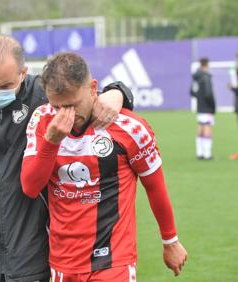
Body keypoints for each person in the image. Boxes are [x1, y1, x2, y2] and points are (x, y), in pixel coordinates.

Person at [0, 35, 135, 282]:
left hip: (36, 250)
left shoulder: (43, 96)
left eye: (4, 86)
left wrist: (117, 93)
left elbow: (85, 96)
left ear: (23, 73)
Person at [21, 52, 188, 281]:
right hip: (62, 262)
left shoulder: (130, 127)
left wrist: (170, 241)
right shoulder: (42, 120)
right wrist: (50, 143)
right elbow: (30, 187)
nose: (65, 114)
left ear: (93, 88)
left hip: (114, 261)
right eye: (57, 106)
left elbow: (155, 186)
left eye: (72, 104)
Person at [190, 57, 216, 160]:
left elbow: (192, 92)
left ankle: (200, 153)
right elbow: (209, 94)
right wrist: (213, 106)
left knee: (200, 128)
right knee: (208, 129)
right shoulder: (206, 77)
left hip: (200, 107)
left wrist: (199, 97)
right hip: (207, 107)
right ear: (207, 65)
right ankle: (207, 154)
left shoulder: (196, 77)